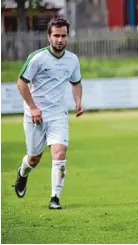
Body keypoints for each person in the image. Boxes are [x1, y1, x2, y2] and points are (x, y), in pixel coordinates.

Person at [14, 17, 84, 209]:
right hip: (34, 115)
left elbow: (76, 83)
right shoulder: (37, 58)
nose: (60, 40)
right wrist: (33, 107)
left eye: (63, 36)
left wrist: (78, 101)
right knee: (34, 158)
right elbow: (21, 83)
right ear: (49, 36)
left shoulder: (72, 60)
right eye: (56, 36)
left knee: (59, 152)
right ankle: (23, 172)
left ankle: (55, 198)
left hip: (58, 114)